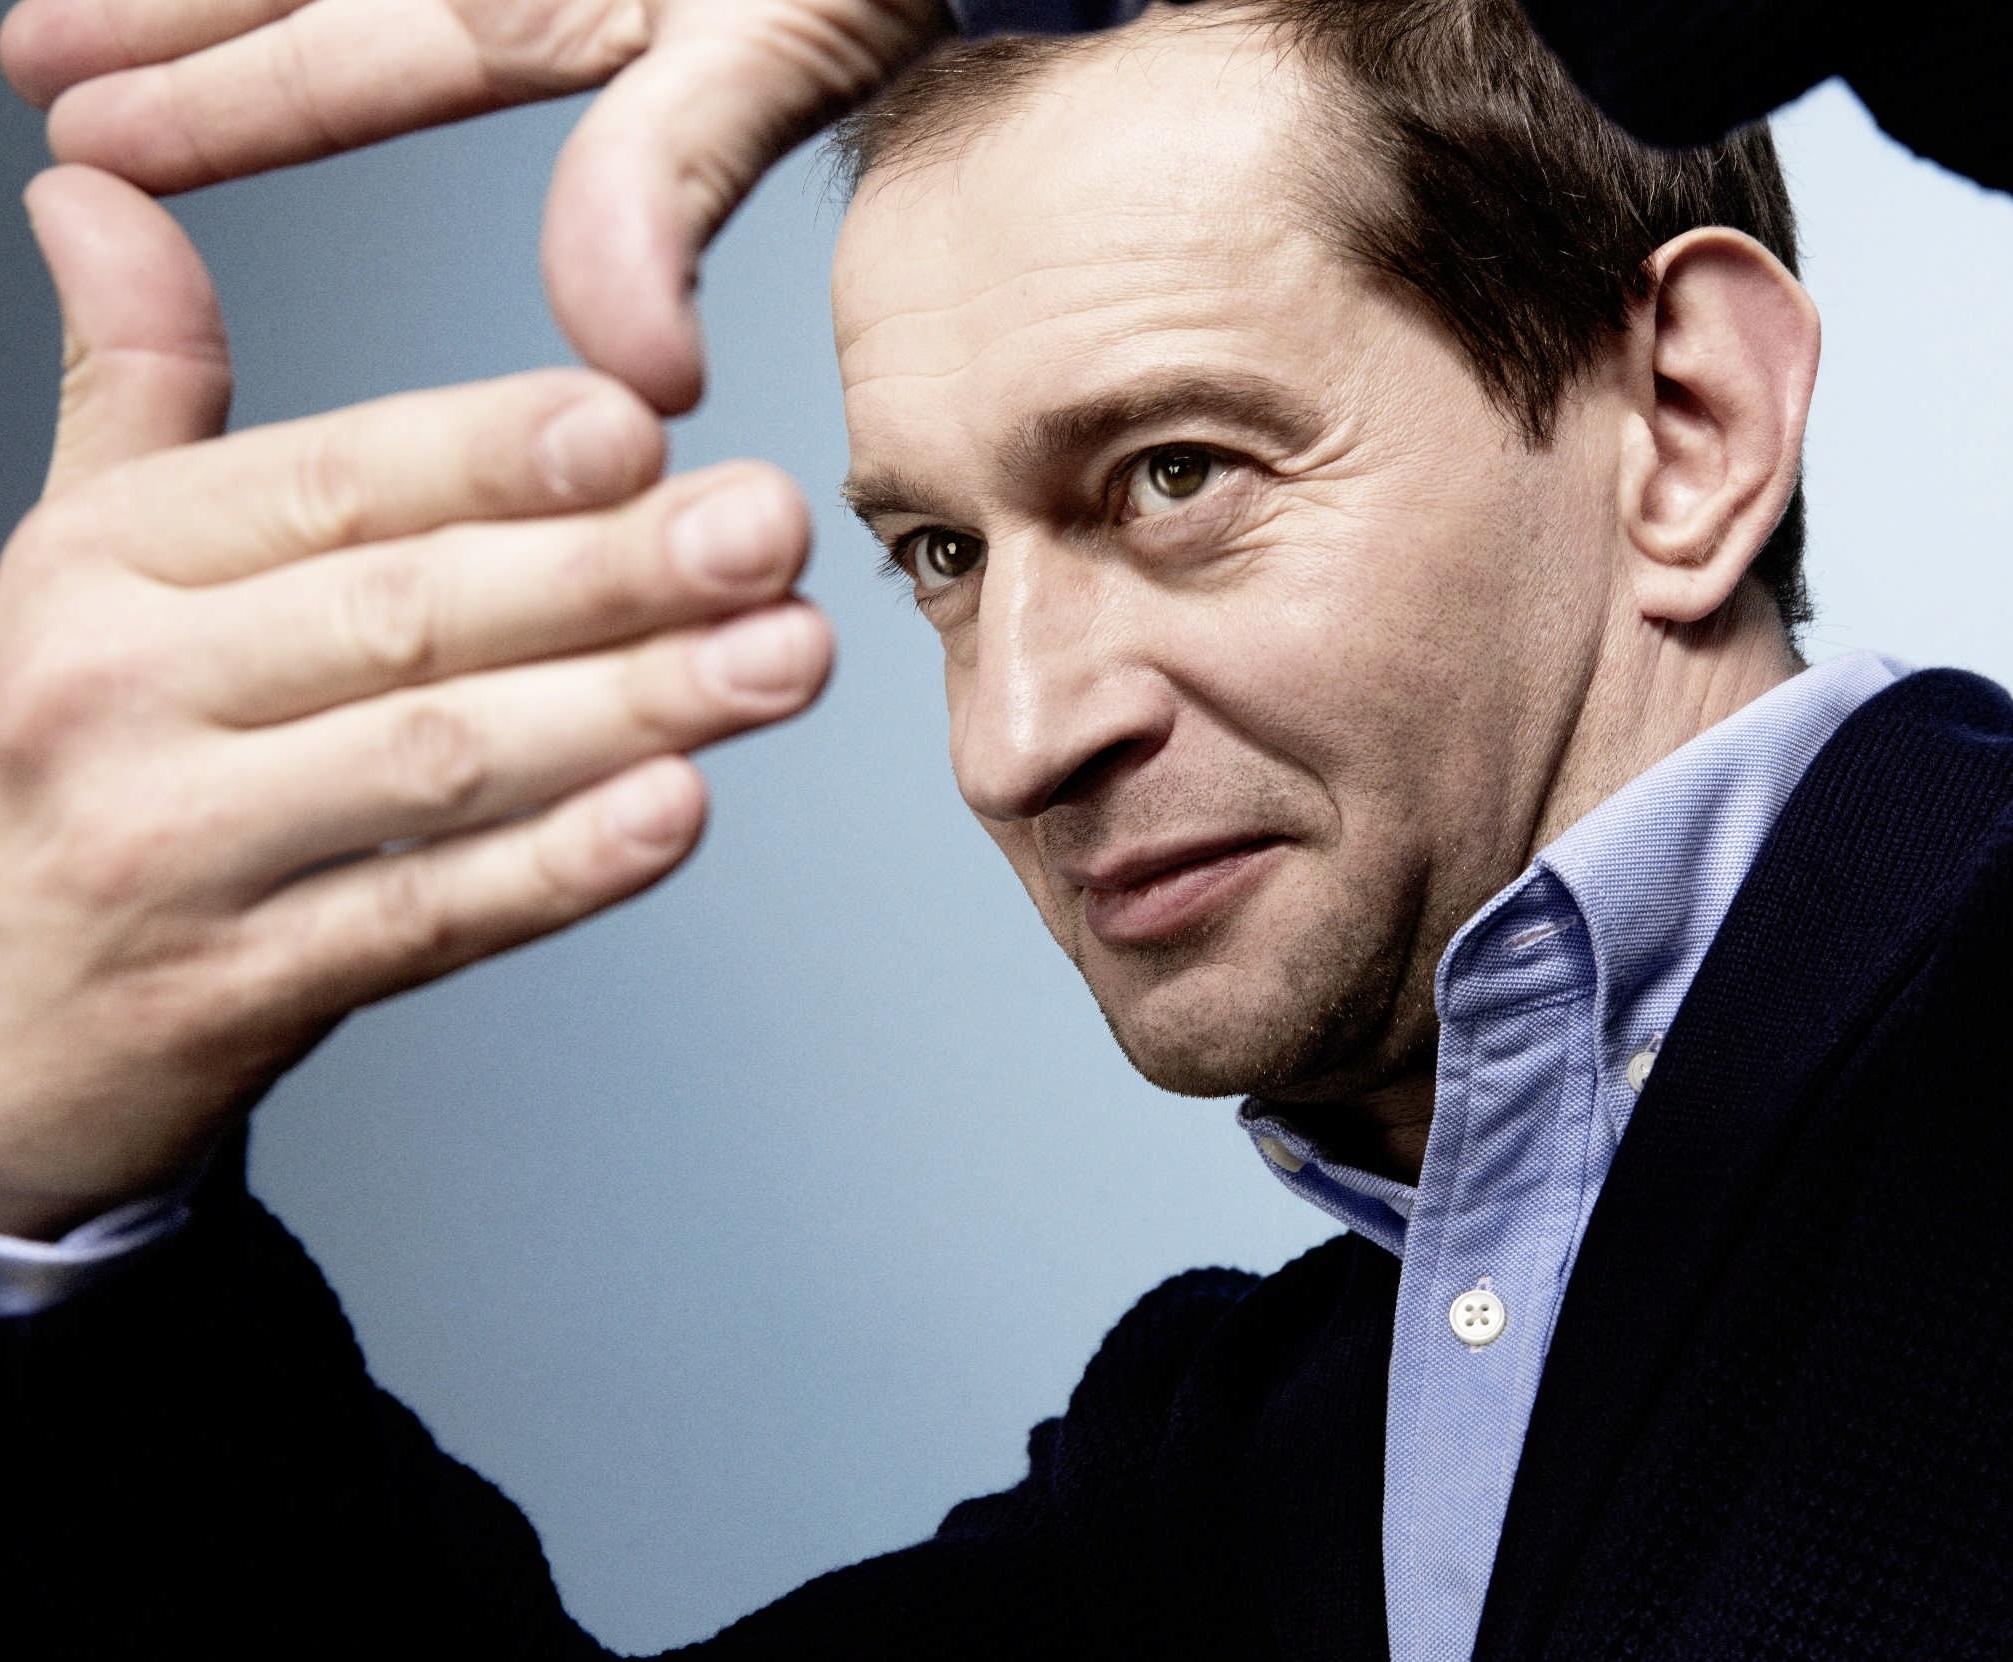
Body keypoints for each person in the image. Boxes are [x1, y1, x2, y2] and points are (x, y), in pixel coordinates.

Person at [1, 0, 2008, 1657]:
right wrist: (59, 1192)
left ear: (1687, 424)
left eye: (1171, 474)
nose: (1012, 738)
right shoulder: (1248, 1475)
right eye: (943, 554)